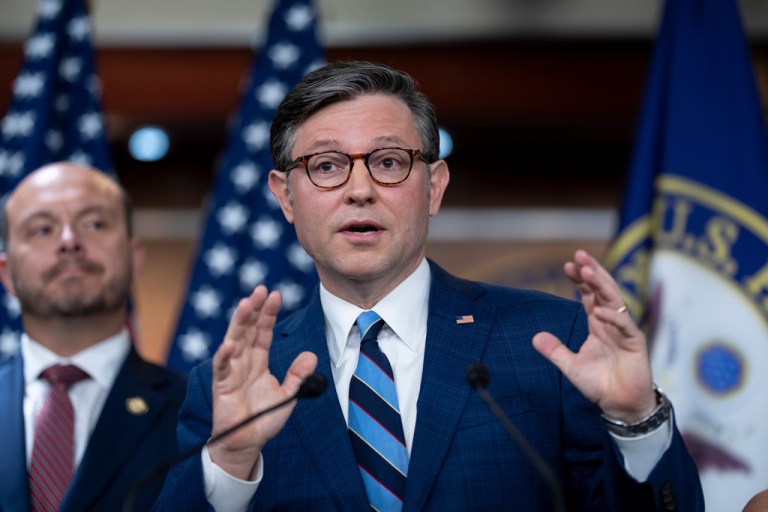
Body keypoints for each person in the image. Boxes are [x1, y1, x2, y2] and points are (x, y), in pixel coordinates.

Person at [155, 61, 703, 511]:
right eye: (326, 167)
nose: (360, 190)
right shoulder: (233, 385)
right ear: (285, 197)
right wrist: (229, 460)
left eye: (389, 161)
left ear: (433, 187)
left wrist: (636, 421)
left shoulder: (551, 343)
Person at [0, 162, 186, 512]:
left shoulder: (200, 411)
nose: (69, 241)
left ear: (134, 257)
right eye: (42, 229)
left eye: (94, 224)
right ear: (6, 274)